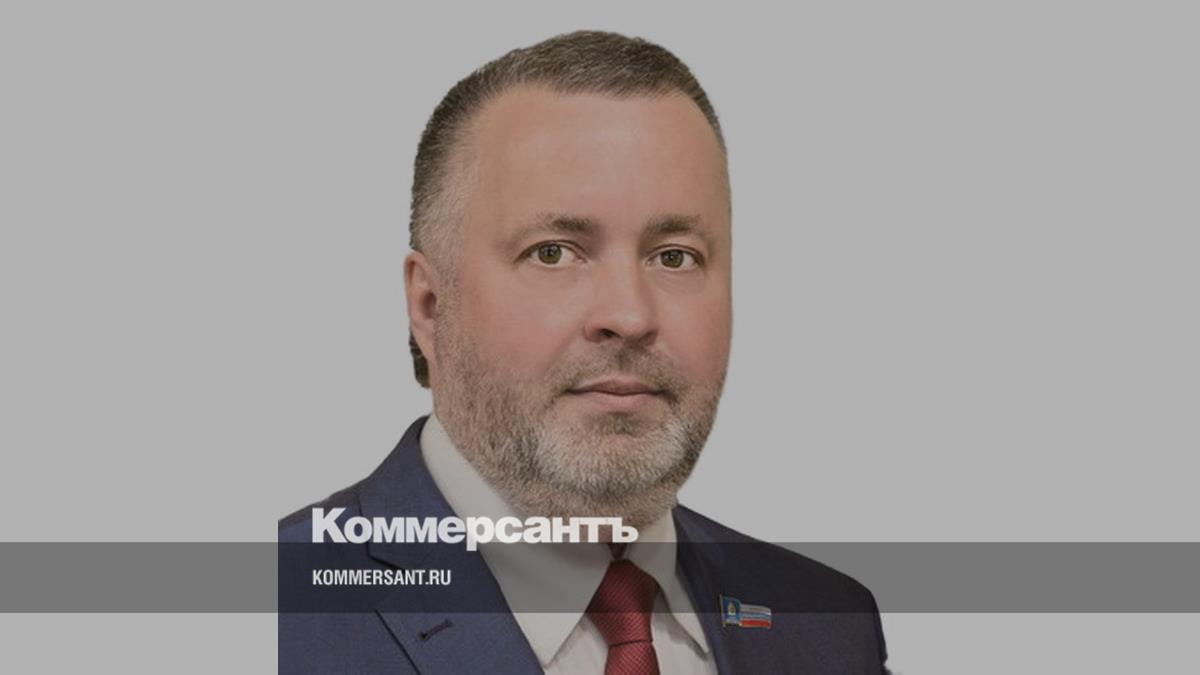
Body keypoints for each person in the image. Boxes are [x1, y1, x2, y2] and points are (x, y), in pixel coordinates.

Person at [279, 30, 888, 674]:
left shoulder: (828, 623)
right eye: (553, 253)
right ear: (430, 305)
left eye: (674, 257)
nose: (629, 316)